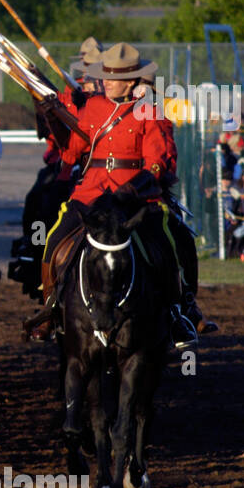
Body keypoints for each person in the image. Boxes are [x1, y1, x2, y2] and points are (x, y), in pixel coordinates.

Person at [27, 42, 204, 348]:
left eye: (113, 76)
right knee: (54, 238)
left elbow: (158, 164)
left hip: (132, 197)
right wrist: (54, 119)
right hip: (90, 192)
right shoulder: (94, 107)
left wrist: (134, 189)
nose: (105, 81)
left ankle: (178, 310)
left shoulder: (150, 111)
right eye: (104, 75)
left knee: (171, 239)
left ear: (132, 81)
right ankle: (51, 308)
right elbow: (70, 155)